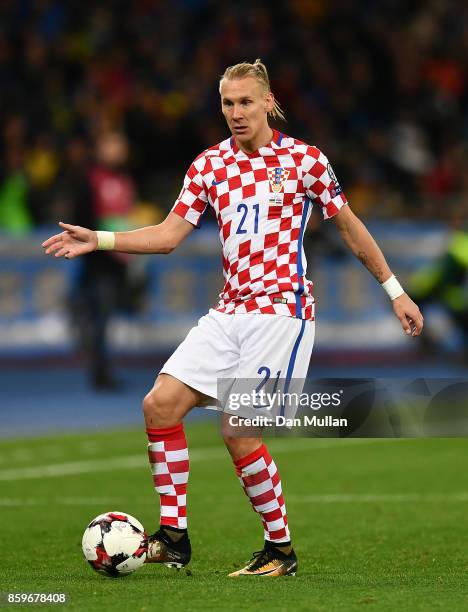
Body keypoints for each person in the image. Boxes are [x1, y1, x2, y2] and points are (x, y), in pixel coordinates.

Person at [42, 59, 423, 577]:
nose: (236, 113)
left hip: (281, 313)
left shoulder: (306, 161)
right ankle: (174, 538)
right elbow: (169, 235)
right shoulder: (208, 166)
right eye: (227, 103)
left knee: (238, 429)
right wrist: (102, 238)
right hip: (229, 311)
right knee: (160, 405)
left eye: (246, 102)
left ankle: (280, 551)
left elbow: (351, 230)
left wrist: (394, 290)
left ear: (268, 102)